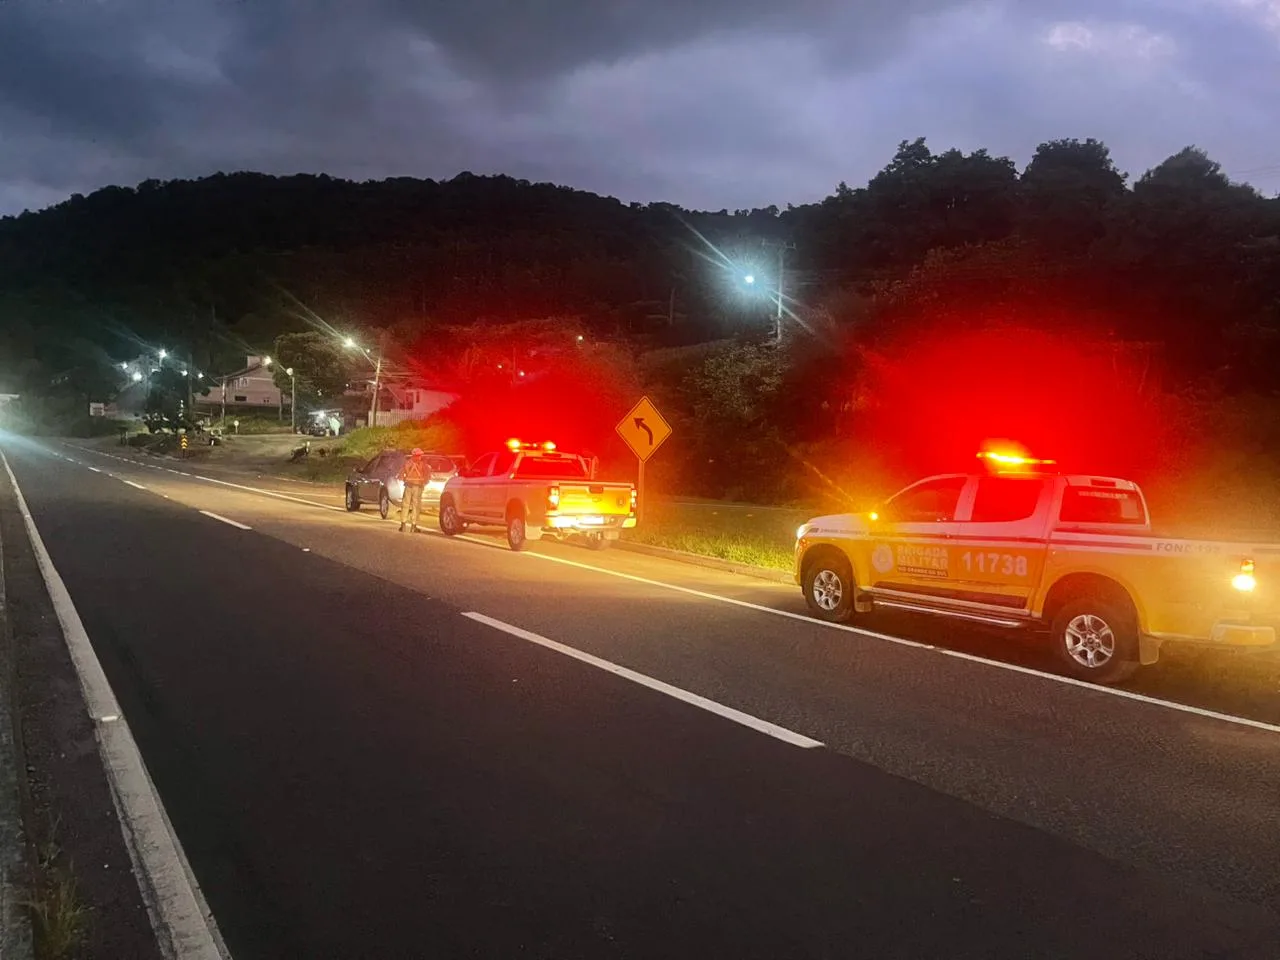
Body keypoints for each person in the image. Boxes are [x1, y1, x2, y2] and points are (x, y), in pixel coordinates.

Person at [398, 448, 429, 533]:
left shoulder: (407, 464)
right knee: (416, 506)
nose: (420, 457)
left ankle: (403, 525)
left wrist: (405, 479)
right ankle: (413, 526)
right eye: (419, 455)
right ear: (417, 456)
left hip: (408, 486)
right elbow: (427, 476)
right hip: (418, 487)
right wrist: (424, 482)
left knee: (405, 505)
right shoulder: (422, 465)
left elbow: (400, 475)